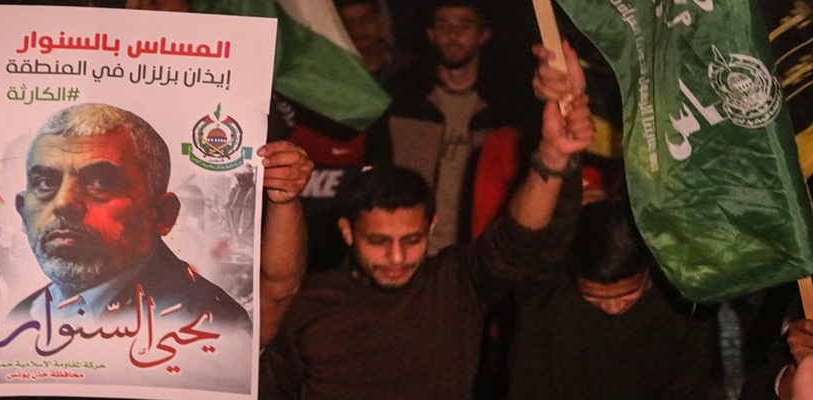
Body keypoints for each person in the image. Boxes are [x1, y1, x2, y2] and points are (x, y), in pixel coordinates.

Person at [258, 39, 593, 399]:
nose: (398, 258)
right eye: (379, 242)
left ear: (431, 228)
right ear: (348, 232)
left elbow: (518, 240)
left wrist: (554, 156)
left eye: (413, 240)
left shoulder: (454, 284)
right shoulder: (308, 305)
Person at [0, 105, 312, 348]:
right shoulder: (23, 313)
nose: (65, 205)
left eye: (100, 182)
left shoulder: (208, 321)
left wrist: (284, 199)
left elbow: (276, 294)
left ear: (163, 214)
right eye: (46, 182)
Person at [506, 201, 718, 399]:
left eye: (627, 295)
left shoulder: (685, 310)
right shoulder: (544, 294)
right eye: (593, 298)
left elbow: (689, 388)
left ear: (650, 268)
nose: (612, 308)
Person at [376, 0, 531, 254]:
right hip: (407, 252)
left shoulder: (507, 109)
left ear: (484, 34)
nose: (453, 35)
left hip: (477, 254)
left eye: (465, 26)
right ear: (431, 34)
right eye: (443, 25)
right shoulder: (400, 101)